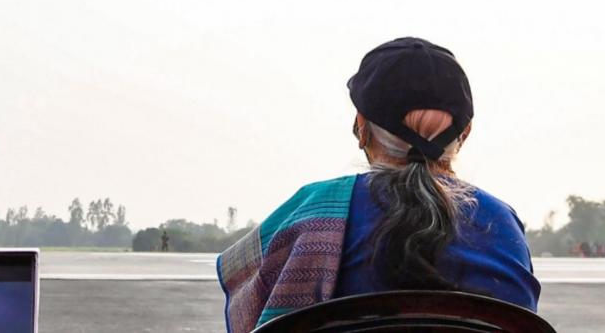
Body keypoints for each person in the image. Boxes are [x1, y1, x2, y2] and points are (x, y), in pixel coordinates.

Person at [217, 37, 540, 333]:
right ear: (465, 133)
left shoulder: (310, 209)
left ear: (361, 127)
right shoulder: (501, 219)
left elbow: (247, 305)